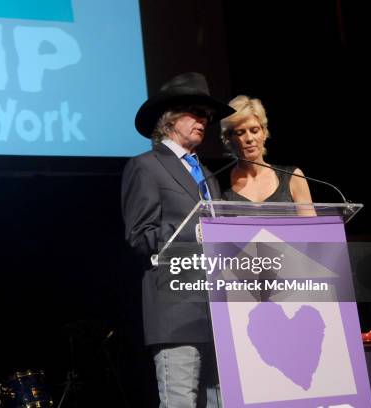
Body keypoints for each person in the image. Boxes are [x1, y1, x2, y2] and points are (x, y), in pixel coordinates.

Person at [121, 72, 235, 408]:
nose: (205, 121)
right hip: (176, 312)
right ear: (170, 118)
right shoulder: (146, 166)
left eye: (208, 117)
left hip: (219, 309)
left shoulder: (208, 175)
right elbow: (139, 236)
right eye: (196, 113)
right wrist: (193, 231)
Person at [220, 95, 315, 211]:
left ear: (264, 133)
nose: (249, 138)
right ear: (228, 139)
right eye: (240, 133)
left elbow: (310, 228)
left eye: (254, 130)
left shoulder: (293, 177)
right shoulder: (218, 184)